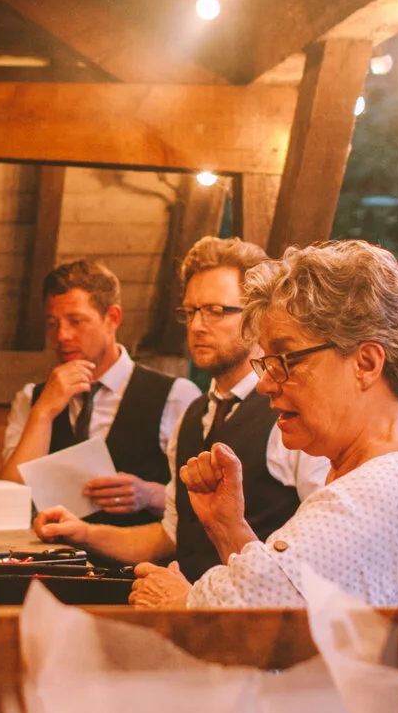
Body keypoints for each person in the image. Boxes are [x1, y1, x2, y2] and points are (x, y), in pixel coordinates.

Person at [126, 241, 398, 713]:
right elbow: (293, 610)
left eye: (285, 360)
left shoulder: (385, 486)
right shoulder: (381, 472)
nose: (266, 384)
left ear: (366, 363)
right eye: (266, 361)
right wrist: (229, 527)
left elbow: (243, 613)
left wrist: (178, 600)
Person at [33, 236, 329, 580]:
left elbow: (321, 551)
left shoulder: (290, 415)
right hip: (184, 607)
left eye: (216, 311)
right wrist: (82, 533)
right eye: (190, 312)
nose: (197, 326)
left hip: (265, 608)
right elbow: (169, 537)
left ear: (258, 316)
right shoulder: (191, 417)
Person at [1, 257, 199, 524]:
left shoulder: (175, 396)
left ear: (112, 318)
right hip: (49, 549)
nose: (61, 336)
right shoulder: (31, 399)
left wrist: (150, 495)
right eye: (52, 323)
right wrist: (43, 413)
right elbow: (9, 500)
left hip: (137, 549)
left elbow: (200, 502)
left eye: (76, 321)